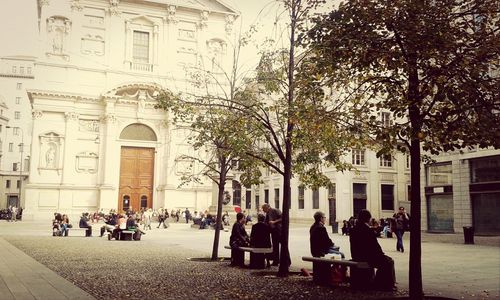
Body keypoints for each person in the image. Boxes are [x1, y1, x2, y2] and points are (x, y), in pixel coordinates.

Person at [350, 209, 396, 291]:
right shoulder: (368, 230)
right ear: (368, 219)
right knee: (389, 262)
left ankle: (382, 283)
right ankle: (383, 284)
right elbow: (374, 246)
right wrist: (381, 254)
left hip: (357, 255)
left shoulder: (353, 229)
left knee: (386, 261)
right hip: (368, 257)